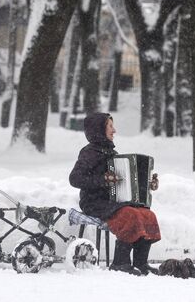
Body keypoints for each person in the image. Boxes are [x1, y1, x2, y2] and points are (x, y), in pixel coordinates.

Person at [69, 112, 161, 275]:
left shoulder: (113, 154)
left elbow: (126, 182)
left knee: (148, 215)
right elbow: (75, 179)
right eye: (110, 126)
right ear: (98, 129)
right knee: (130, 215)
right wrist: (103, 180)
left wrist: (148, 185)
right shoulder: (89, 153)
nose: (114, 130)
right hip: (94, 202)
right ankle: (120, 263)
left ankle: (141, 263)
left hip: (112, 202)